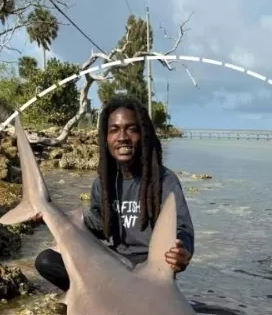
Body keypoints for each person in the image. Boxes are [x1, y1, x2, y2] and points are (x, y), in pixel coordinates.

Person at [34, 95, 195, 292]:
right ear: (106, 138)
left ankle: (110, 297)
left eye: (131, 129)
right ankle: (96, 300)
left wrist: (182, 250)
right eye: (114, 130)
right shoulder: (103, 183)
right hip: (114, 263)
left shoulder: (164, 180)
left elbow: (182, 228)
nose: (122, 137)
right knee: (47, 260)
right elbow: (99, 225)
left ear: (144, 134)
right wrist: (60, 224)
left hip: (150, 270)